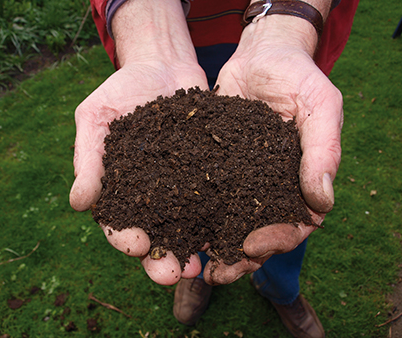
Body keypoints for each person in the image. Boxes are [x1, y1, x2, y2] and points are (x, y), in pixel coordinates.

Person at [69, 0, 359, 337]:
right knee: (199, 223)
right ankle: (198, 273)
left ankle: (281, 290)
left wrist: (285, 26)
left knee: (285, 210)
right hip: (180, 29)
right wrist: (152, 34)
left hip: (290, 31)